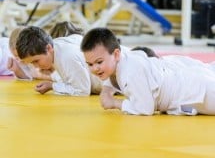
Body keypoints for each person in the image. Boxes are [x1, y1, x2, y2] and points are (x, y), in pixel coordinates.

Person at [81, 27, 215, 116]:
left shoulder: (131, 71)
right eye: (90, 64)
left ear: (116, 54)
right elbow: (111, 74)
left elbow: (145, 108)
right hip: (191, 84)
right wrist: (106, 90)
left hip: (195, 92)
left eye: (99, 62)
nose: (95, 68)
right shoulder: (121, 59)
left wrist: (114, 103)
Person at [16, 26, 91, 96]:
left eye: (36, 61)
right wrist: (51, 84)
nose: (35, 66)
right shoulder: (57, 45)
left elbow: (82, 91)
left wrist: (53, 86)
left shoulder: (67, 55)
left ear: (48, 48)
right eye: (32, 63)